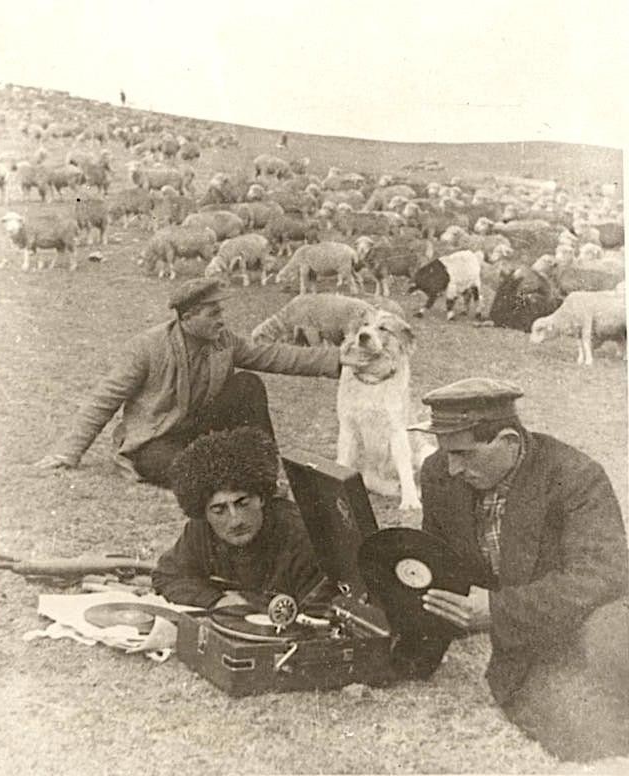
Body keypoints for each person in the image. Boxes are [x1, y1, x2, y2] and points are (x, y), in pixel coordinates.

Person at [409, 377, 629, 761]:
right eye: (446, 453)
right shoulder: (438, 472)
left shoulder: (575, 475)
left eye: (464, 454)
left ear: (508, 441)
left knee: (598, 722)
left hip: (582, 620)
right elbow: (440, 555)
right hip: (524, 635)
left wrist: (496, 610)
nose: (452, 468)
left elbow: (603, 575)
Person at [36, 278, 363, 487]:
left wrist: (337, 359)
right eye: (212, 313)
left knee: (247, 384)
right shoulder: (147, 347)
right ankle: (226, 469)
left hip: (199, 428)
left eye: (220, 311)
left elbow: (273, 356)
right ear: (186, 318)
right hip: (155, 440)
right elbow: (103, 400)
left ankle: (264, 470)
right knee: (194, 473)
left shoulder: (224, 340)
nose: (221, 319)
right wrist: (68, 452)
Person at [152, 427, 328, 608]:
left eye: (242, 503)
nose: (235, 520)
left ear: (261, 497)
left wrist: (248, 604)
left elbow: (320, 612)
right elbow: (168, 576)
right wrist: (218, 600)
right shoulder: (200, 530)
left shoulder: (301, 538)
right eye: (219, 510)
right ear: (203, 513)